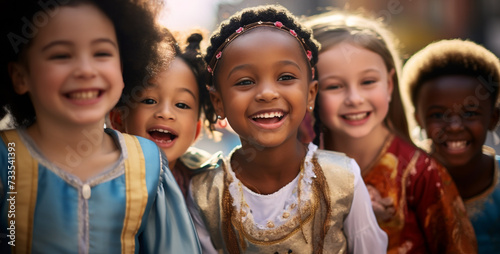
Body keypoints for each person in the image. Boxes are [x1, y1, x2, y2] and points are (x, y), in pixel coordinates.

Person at [0, 1, 201, 253]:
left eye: (102, 53)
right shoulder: (4, 160)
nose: (86, 70)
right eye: (61, 55)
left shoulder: (149, 164)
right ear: (20, 77)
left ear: (125, 64)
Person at [187, 5, 388, 253]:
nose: (267, 93)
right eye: (245, 81)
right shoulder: (204, 194)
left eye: (285, 77)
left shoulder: (343, 178)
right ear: (218, 102)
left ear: (310, 94)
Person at [306, 11, 477, 253]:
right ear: (310, 93)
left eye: (368, 82)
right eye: (334, 86)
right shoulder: (298, 169)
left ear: (388, 84)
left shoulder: (422, 173)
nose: (355, 99)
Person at [402, 39, 500, 254]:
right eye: (438, 115)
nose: (455, 126)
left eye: (470, 113)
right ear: (419, 119)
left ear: (493, 118)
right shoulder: (403, 182)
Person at [110, 29, 221, 199]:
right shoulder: (103, 181)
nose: (166, 113)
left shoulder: (205, 189)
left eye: (182, 104)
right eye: (149, 100)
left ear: (196, 130)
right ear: (118, 118)